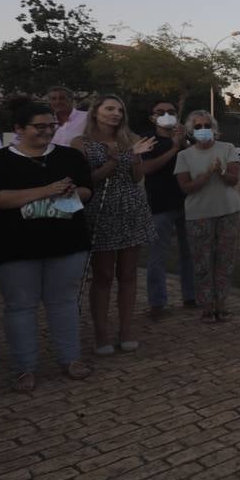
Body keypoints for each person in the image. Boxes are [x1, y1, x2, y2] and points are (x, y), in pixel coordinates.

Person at [0, 101, 94, 391]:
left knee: (64, 303)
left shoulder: (70, 158)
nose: (47, 131)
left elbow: (88, 191)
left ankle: (70, 358)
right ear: (18, 128)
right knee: (20, 307)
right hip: (13, 246)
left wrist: (72, 191)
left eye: (52, 126)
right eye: (39, 126)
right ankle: (24, 367)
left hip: (66, 243)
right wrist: (46, 190)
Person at [73, 95, 156, 355]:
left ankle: (126, 329)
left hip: (131, 209)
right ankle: (101, 332)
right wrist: (115, 159)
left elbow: (136, 177)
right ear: (95, 112)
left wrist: (134, 159)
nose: (116, 113)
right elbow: (88, 180)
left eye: (120, 109)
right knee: (103, 275)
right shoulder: (81, 143)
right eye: (109, 108)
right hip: (101, 212)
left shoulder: (129, 139)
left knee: (129, 274)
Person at [175, 111, 240, 323]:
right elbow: (186, 188)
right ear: (190, 131)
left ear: (213, 128)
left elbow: (233, 180)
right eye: (197, 126)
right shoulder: (184, 156)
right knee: (201, 261)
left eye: (206, 125)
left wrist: (221, 172)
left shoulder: (227, 148)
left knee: (224, 259)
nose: (203, 129)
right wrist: (207, 174)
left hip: (228, 211)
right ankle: (206, 304)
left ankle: (221, 303)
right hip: (199, 214)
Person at [140, 99, 196, 313]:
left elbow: (194, 165)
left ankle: (190, 296)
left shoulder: (185, 138)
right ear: (152, 117)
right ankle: (157, 302)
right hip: (160, 206)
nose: (166, 115)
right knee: (157, 255)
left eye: (171, 111)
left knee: (189, 253)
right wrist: (173, 149)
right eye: (160, 111)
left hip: (187, 203)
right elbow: (147, 168)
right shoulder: (148, 140)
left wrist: (182, 142)